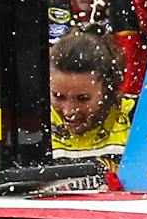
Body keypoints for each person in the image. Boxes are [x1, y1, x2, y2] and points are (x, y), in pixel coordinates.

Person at [49, 31, 133, 176]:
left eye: (82, 99)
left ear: (108, 88)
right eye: (58, 96)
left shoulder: (138, 117)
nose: (69, 111)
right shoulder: (35, 124)